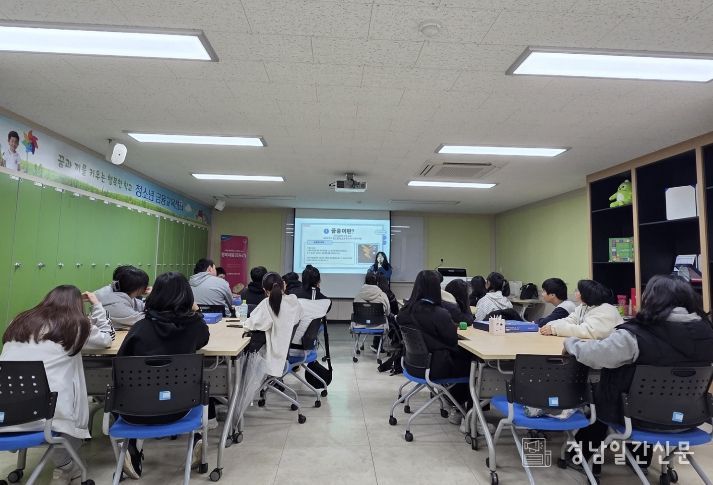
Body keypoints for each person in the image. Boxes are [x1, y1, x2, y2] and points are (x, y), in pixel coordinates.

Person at [564, 276, 713, 475]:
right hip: (690, 417)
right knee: (651, 395)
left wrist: (571, 343)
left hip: (637, 418)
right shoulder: (707, 332)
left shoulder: (636, 334)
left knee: (600, 398)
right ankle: (640, 459)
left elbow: (595, 356)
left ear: (651, 299)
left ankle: (581, 457)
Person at [0, 286, 113, 485]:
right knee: (70, 409)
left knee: (56, 402)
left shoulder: (17, 322)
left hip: (6, 411)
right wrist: (97, 305)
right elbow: (106, 339)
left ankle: (64, 466)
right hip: (46, 414)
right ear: (77, 306)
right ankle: (66, 467)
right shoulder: (75, 326)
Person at [117, 272, 210, 480]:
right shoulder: (194, 327)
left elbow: (121, 368)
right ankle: (197, 438)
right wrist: (196, 311)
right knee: (201, 386)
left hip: (135, 411)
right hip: (180, 409)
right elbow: (204, 338)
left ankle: (131, 448)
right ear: (187, 296)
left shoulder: (139, 328)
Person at [397, 270, 471, 421]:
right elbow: (452, 340)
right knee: (476, 367)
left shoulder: (404, 311)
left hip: (412, 364)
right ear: (436, 288)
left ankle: (454, 404)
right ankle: (469, 416)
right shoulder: (440, 314)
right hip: (436, 367)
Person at [243, 272, 303, 377]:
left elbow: (251, 324)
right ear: (284, 284)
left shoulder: (267, 304)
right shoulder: (294, 301)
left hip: (269, 356)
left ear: (265, 290)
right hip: (285, 352)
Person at [540, 280, 622, 339]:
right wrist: (551, 325)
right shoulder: (583, 306)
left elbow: (587, 331)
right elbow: (571, 320)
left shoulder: (605, 309)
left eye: (577, 290)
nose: (575, 292)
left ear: (586, 294)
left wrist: (555, 329)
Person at [95, 265, 149, 329]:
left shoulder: (116, 291)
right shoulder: (115, 305)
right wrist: (154, 295)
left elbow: (141, 305)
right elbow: (145, 320)